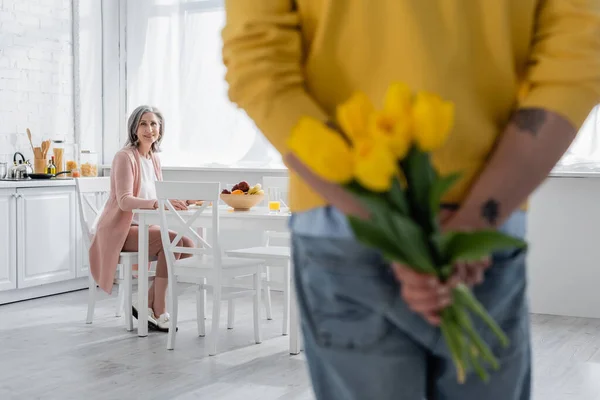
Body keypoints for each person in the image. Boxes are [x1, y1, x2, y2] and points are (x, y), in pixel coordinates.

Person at [222, 1, 600, 399]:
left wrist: (389, 224)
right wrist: (474, 219)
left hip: (345, 227)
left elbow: (259, 68)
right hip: (482, 228)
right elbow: (575, 62)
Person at [89, 105, 194, 332]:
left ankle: (144, 300)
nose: (149, 129)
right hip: (119, 230)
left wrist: (180, 201)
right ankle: (159, 307)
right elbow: (125, 200)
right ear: (134, 128)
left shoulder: (154, 159)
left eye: (154, 124)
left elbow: (156, 195)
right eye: (143, 124)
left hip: (144, 227)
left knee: (188, 246)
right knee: (171, 241)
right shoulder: (124, 157)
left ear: (160, 129)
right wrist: (158, 203)